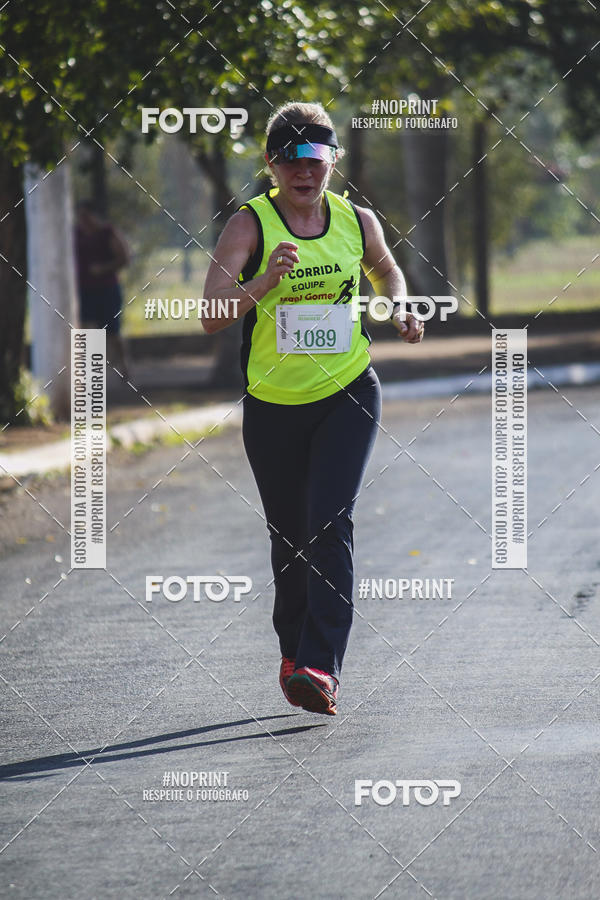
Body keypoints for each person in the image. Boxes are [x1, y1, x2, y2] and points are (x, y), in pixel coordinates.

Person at [202, 101, 423, 716]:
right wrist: (263, 283)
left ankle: (321, 665)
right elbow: (210, 315)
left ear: (333, 161)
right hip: (273, 405)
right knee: (289, 536)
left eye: (316, 158)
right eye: (290, 159)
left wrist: (399, 307)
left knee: (330, 522)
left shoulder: (357, 220)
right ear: (271, 164)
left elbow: (387, 271)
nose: (304, 171)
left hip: (348, 392)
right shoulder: (250, 225)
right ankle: (293, 649)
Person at [74, 200, 131, 378]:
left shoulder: (107, 233)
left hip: (107, 290)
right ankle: (92, 372)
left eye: (86, 216)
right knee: (87, 329)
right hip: (84, 291)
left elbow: (124, 258)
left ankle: (123, 364)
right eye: (80, 217)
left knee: (112, 332)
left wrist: (103, 269)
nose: (83, 221)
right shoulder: (75, 234)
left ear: (94, 215)